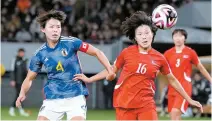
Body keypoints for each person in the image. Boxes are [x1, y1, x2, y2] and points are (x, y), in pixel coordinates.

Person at [73, 11, 203, 120]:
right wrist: (90, 79)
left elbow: (173, 80)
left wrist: (189, 99)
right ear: (135, 37)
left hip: (146, 104)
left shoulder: (160, 58)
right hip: (124, 103)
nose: (144, 37)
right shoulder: (127, 52)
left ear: (153, 33)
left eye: (147, 33)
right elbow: (111, 70)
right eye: (140, 34)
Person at [15, 10, 115, 121]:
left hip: (75, 96)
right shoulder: (39, 54)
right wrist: (22, 93)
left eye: (58, 27)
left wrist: (109, 69)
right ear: (43, 29)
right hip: (53, 97)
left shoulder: (71, 42)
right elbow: (29, 78)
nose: (55, 30)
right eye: (51, 27)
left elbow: (97, 52)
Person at [164, 29, 212, 120]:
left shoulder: (190, 52)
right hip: (172, 89)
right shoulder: (167, 53)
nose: (178, 38)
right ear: (173, 38)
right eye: (175, 36)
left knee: (175, 112)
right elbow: (160, 69)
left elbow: (200, 67)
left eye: (180, 36)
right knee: (174, 116)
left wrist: (211, 80)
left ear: (185, 38)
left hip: (184, 89)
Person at [9, 48, 29, 117]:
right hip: (17, 81)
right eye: (21, 52)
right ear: (18, 53)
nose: (22, 54)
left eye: (23, 52)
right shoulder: (14, 60)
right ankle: (13, 109)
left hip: (23, 82)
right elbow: (12, 70)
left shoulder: (24, 61)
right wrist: (12, 80)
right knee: (19, 95)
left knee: (20, 96)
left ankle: (18, 110)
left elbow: (25, 71)